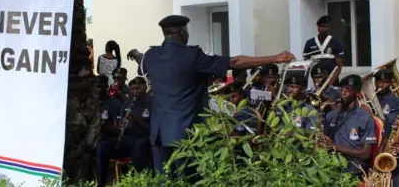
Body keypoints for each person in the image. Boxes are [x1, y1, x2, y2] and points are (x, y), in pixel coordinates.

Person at [126, 14, 295, 175]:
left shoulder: (150, 56)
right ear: (183, 33)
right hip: (187, 134)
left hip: (159, 134)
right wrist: (276, 58)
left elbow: (140, 58)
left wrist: (134, 52)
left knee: (164, 179)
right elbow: (235, 62)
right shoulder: (192, 55)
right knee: (188, 178)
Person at [96, 77, 152, 187]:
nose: (135, 91)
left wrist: (136, 121)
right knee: (103, 146)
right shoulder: (127, 104)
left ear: (145, 87)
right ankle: (101, 183)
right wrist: (120, 126)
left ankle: (139, 181)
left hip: (144, 138)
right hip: (128, 138)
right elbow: (120, 123)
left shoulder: (151, 103)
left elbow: (152, 128)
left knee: (138, 145)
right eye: (132, 89)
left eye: (138, 88)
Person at [324, 74, 377, 178]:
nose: (343, 92)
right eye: (342, 88)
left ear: (357, 94)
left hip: (354, 162)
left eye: (348, 89)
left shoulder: (365, 118)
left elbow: (366, 154)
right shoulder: (332, 115)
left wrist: (335, 146)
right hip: (333, 158)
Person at [303, 15, 344, 85]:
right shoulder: (309, 43)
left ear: (329, 27)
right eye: (319, 26)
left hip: (331, 81)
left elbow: (339, 66)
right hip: (316, 80)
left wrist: (330, 83)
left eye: (324, 26)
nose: (321, 28)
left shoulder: (335, 43)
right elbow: (306, 63)